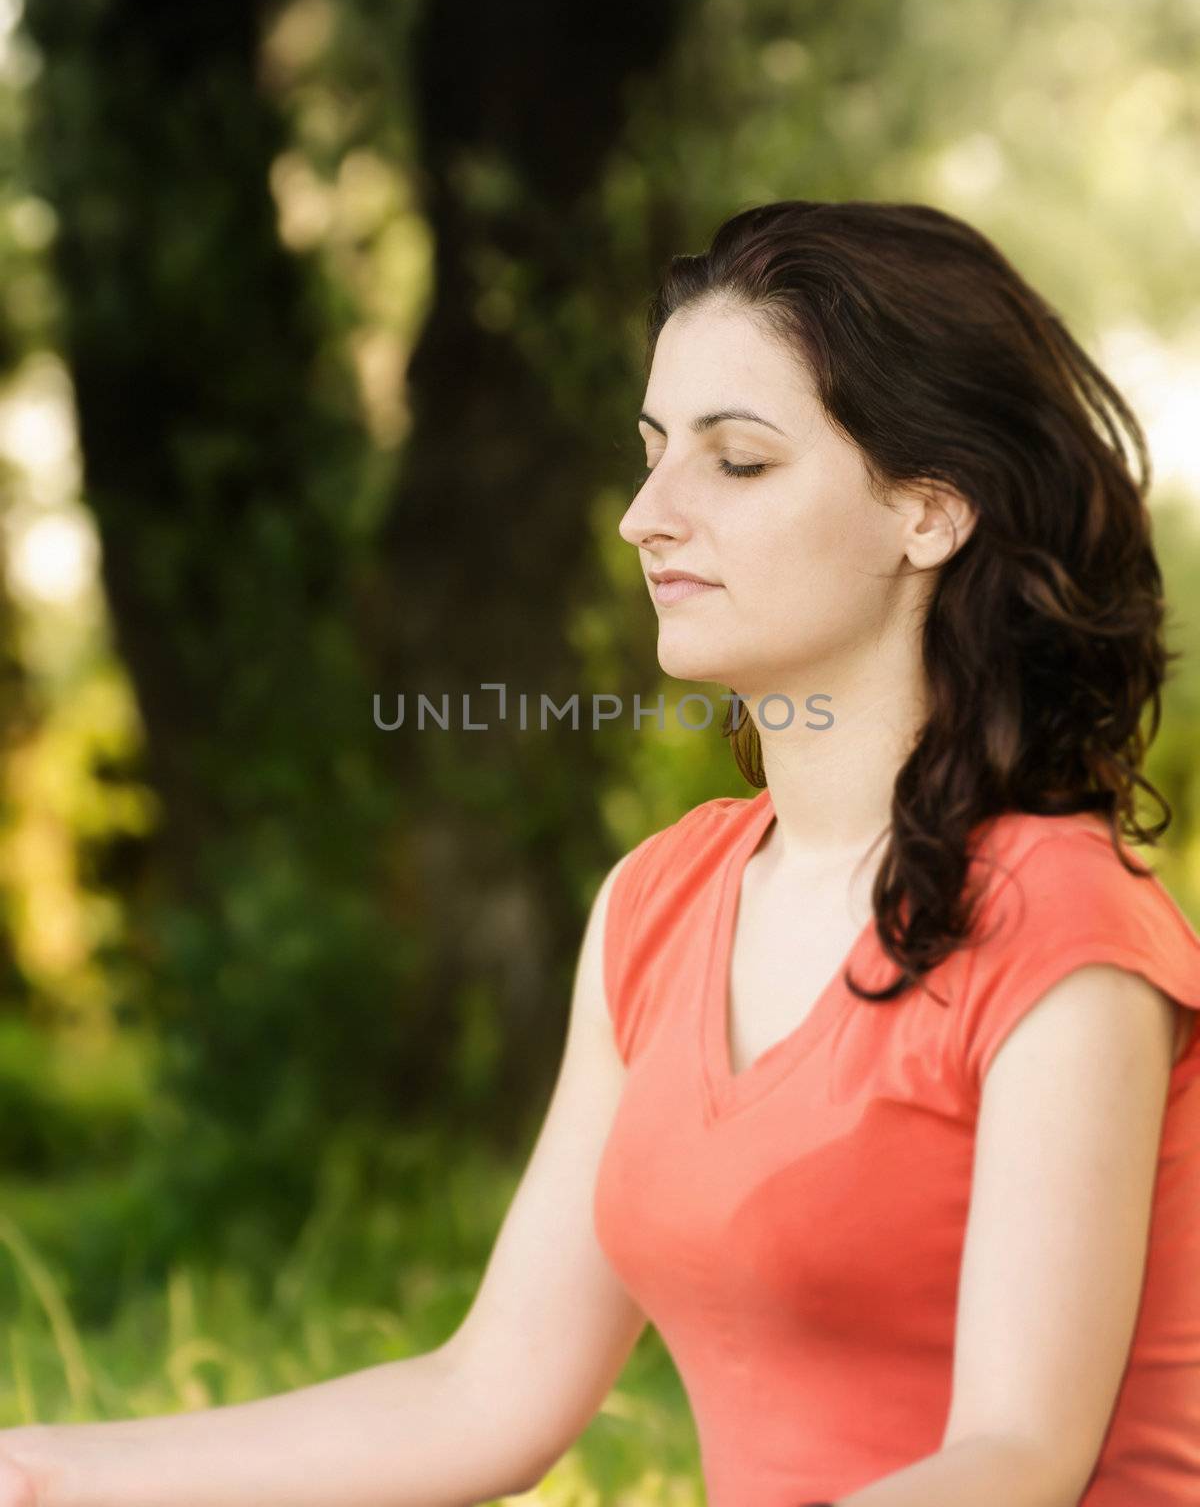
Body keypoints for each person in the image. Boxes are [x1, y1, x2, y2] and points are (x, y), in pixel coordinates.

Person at [3, 198, 1199, 1507]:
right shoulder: (661, 903)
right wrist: (46, 1471)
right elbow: (488, 1395)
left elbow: (1015, 1463)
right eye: (651, 452)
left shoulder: (1062, 923)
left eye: (736, 463)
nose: (647, 517)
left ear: (928, 513)